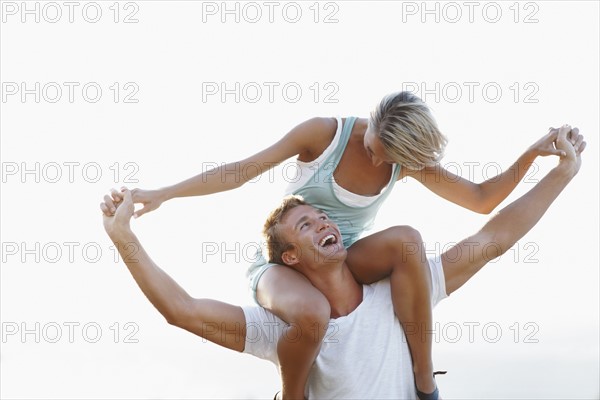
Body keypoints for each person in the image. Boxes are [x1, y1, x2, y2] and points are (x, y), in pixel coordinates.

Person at [101, 91, 582, 399]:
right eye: (375, 146)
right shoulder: (324, 135)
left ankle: (424, 380)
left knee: (407, 243)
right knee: (311, 313)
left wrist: (544, 158)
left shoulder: (403, 166)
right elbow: (242, 171)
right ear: (371, 119)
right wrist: (160, 195)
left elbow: (485, 210)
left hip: (348, 259)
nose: (378, 159)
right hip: (282, 270)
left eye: (390, 159)